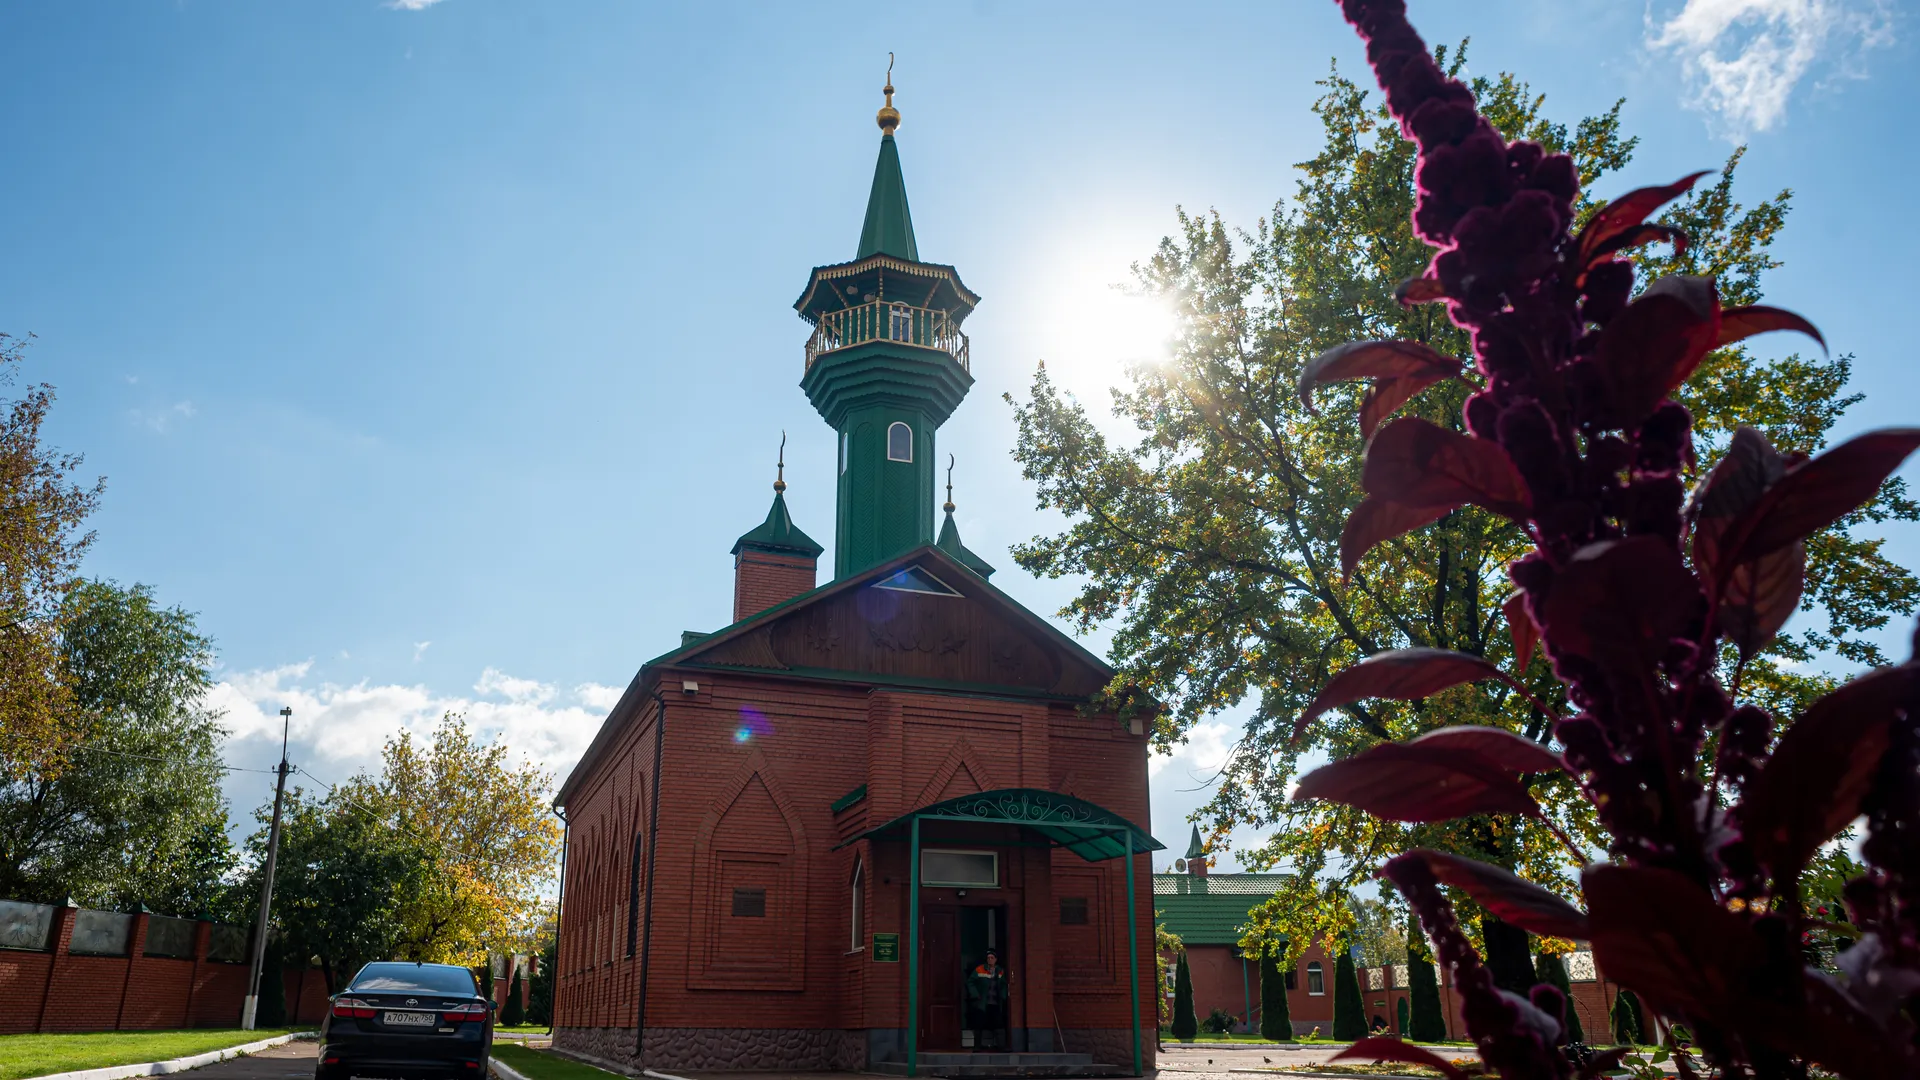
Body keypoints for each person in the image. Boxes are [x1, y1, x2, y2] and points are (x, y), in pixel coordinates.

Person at [965, 948, 1010, 1049]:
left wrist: (1003, 996)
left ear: (995, 959)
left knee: (998, 1024)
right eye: (988, 958)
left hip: (995, 1003)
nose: (990, 959)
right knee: (978, 1023)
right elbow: (970, 982)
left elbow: (1003, 984)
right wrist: (975, 994)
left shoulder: (1000, 971)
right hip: (982, 1002)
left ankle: (1001, 1047)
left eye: (992, 957)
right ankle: (977, 1046)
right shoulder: (980, 969)